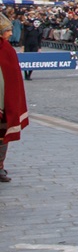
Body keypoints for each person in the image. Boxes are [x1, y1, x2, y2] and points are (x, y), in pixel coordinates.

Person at [0, 14, 30, 183]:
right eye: (7, 30)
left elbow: (12, 78)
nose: (11, 33)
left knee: (2, 133)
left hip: (3, 102)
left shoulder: (7, 50)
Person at [20, 14, 41, 81]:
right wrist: (23, 46)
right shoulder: (28, 29)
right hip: (27, 45)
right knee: (27, 60)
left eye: (38, 23)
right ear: (33, 23)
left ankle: (29, 74)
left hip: (35, 46)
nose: (37, 24)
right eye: (35, 22)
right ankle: (26, 74)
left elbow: (39, 40)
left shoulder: (39, 31)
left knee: (33, 60)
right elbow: (24, 38)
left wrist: (39, 48)